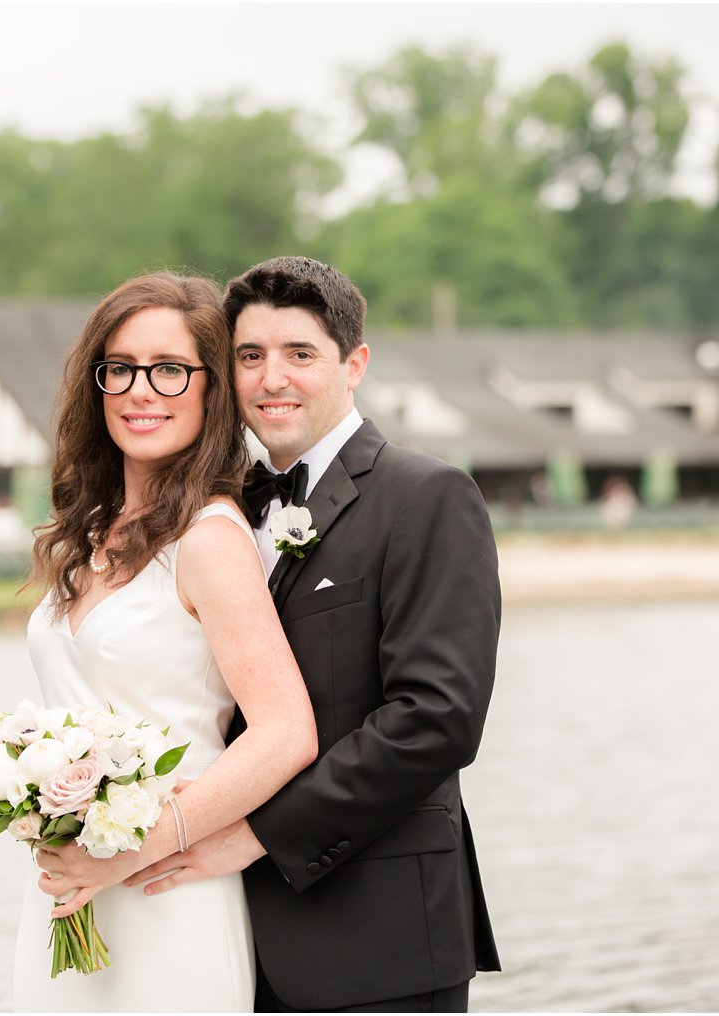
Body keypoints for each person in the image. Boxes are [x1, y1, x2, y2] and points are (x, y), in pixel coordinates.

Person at [126, 256, 502, 1012]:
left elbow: (436, 719)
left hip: (380, 934)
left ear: (354, 363)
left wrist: (257, 833)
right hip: (229, 936)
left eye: (300, 354)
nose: (272, 380)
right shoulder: (222, 511)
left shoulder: (427, 497)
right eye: (250, 357)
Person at [16, 273, 318, 1012]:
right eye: (119, 368)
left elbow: (286, 731)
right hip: (70, 892)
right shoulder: (88, 534)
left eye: (169, 370)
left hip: (164, 887)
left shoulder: (210, 539)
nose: (139, 390)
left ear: (211, 389)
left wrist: (135, 848)